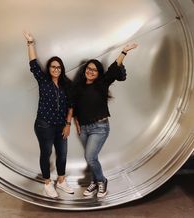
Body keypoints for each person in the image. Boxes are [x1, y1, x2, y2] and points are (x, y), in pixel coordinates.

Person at [73, 43, 137, 198]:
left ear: (98, 73)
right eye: (88, 69)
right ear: (85, 70)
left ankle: (102, 181)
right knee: (91, 158)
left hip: (99, 128)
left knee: (90, 157)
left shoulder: (102, 84)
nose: (90, 71)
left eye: (94, 70)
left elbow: (114, 69)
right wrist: (75, 123)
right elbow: (74, 106)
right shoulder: (78, 86)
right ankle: (94, 183)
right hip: (83, 128)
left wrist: (124, 52)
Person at [23, 31, 74, 198]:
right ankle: (47, 183)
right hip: (44, 124)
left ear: (62, 69)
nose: (56, 69)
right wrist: (30, 43)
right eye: (53, 66)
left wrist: (68, 125)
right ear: (49, 68)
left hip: (61, 125)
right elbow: (33, 64)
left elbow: (71, 106)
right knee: (46, 153)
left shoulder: (66, 84)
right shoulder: (43, 80)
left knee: (62, 153)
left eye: (59, 67)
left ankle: (61, 180)